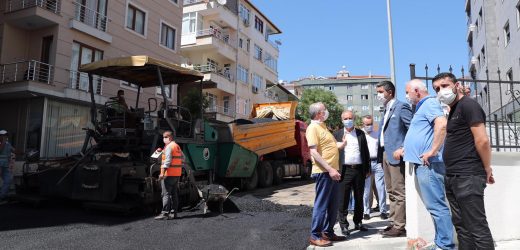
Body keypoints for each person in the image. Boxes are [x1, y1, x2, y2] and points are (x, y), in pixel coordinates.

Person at [433, 72, 495, 249]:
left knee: (476, 227)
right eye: (437, 89)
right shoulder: (453, 109)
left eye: (444, 86)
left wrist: (487, 168)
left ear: (456, 85)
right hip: (453, 176)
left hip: (468, 175)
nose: (441, 91)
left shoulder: (469, 105)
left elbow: (482, 140)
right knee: (461, 226)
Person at [402, 79, 455, 249]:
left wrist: (432, 151)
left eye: (407, 91)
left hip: (429, 164)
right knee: (435, 206)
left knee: (437, 206)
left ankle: (445, 245)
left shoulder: (429, 102)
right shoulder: (422, 106)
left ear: (416, 91)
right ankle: (441, 243)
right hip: (424, 164)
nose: (406, 96)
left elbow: (441, 125)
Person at [306, 102, 346, 247]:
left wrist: (343, 143)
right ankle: (315, 235)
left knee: (333, 204)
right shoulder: (312, 128)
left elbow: (334, 146)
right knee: (322, 205)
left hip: (333, 171)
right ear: (318, 113)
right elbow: (313, 152)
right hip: (324, 172)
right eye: (324, 110)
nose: (326, 112)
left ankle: (328, 232)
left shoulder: (323, 127)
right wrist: (330, 169)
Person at [376, 80, 412, 237]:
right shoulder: (386, 109)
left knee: (398, 191)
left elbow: (412, 128)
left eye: (380, 92)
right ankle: (393, 222)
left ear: (389, 92)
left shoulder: (401, 106)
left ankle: (399, 225)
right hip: (385, 154)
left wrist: (403, 147)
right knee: (390, 190)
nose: (378, 95)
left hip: (396, 154)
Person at [333, 110, 371, 235]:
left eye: (350, 118)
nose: (348, 120)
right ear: (342, 120)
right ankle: (343, 225)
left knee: (359, 197)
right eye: (345, 118)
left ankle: (358, 222)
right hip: (344, 170)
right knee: (343, 198)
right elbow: (333, 153)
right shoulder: (337, 134)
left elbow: (365, 152)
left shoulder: (360, 133)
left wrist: (368, 169)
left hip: (359, 169)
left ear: (354, 119)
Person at [361, 115, 388, 220]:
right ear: (363, 124)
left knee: (381, 188)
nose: (369, 126)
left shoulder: (377, 134)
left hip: (377, 163)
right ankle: (366, 211)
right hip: (366, 164)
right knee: (366, 190)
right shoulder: (360, 135)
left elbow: (382, 148)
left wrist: (381, 161)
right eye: (367, 124)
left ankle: (383, 211)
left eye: (371, 124)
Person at [155, 130, 183, 220]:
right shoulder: (177, 146)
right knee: (174, 194)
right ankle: (174, 213)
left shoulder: (169, 147)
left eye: (165, 137)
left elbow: (167, 162)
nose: (163, 139)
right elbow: (183, 158)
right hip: (177, 174)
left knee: (165, 194)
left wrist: (162, 173)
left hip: (168, 174)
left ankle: (164, 213)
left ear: (169, 138)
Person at [0, 130, 15, 203]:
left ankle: (1, 196)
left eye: (6, 135)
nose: (6, 137)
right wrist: (2, 142)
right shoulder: (2, 143)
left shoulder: (8, 144)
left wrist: (24, 153)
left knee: (8, 180)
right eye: (4, 135)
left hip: (5, 165)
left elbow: (13, 150)